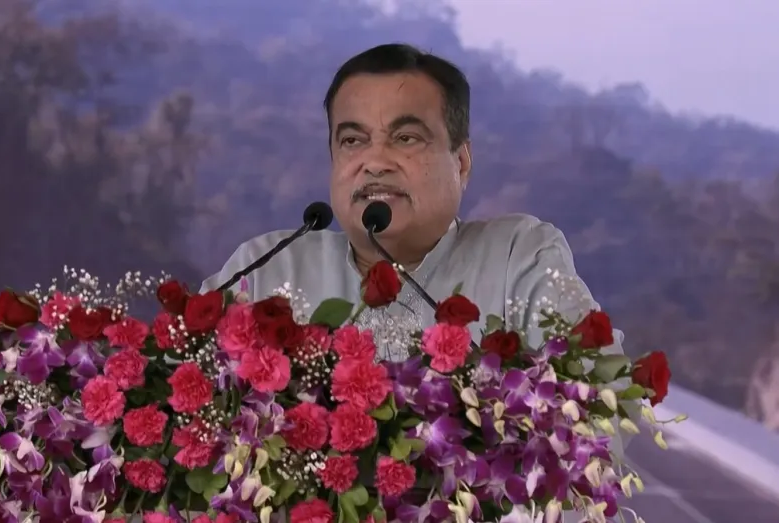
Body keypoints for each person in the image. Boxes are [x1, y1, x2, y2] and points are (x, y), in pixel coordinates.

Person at [201, 44, 635, 509]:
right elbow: (179, 409)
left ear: (461, 162)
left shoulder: (518, 256)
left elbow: (600, 404)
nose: (375, 162)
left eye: (405, 138)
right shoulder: (268, 266)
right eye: (353, 141)